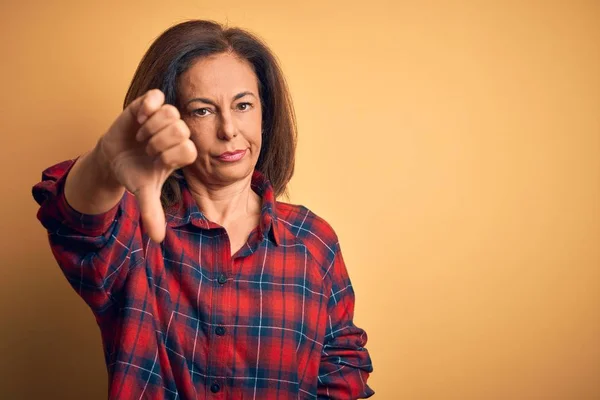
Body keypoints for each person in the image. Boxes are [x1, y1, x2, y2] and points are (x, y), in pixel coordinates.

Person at [32, 19, 373, 399]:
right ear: (172, 122)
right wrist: (104, 163)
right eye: (203, 111)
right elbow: (74, 222)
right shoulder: (135, 230)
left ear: (266, 113)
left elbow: (343, 371)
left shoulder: (313, 241)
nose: (229, 129)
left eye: (243, 105)